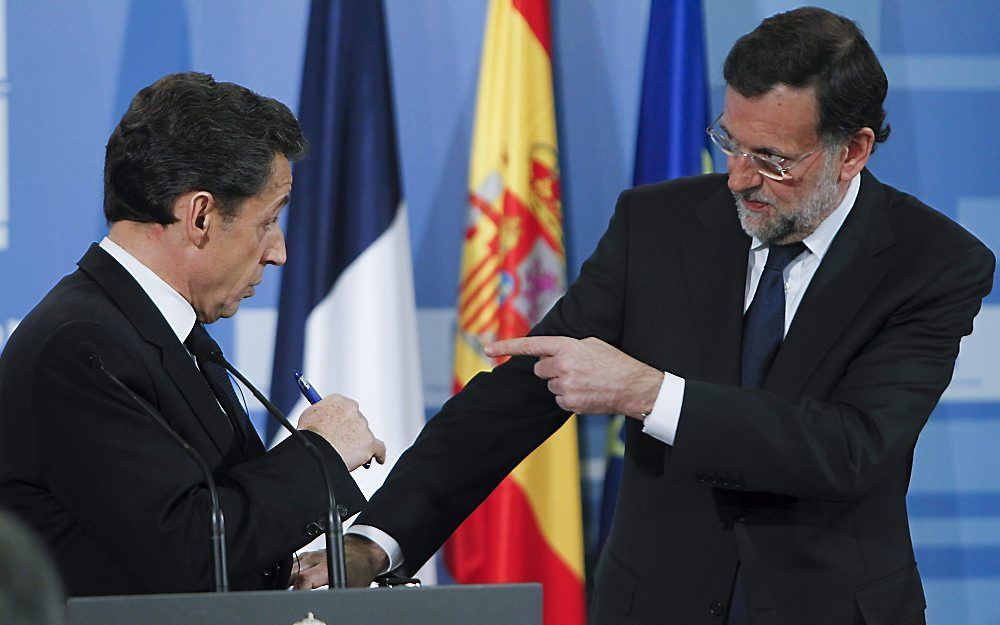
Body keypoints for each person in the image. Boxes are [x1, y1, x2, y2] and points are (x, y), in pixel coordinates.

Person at [341, 7, 995, 625]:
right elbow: (517, 398)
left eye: (771, 159)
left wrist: (650, 393)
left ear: (852, 151)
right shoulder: (656, 225)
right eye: (730, 142)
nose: (738, 177)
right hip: (654, 600)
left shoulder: (932, 261)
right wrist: (378, 538)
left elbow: (851, 446)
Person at [0, 72, 386, 596]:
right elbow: (189, 550)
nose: (279, 252)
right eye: (268, 221)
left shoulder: (161, 331)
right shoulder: (82, 346)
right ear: (200, 215)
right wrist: (321, 453)